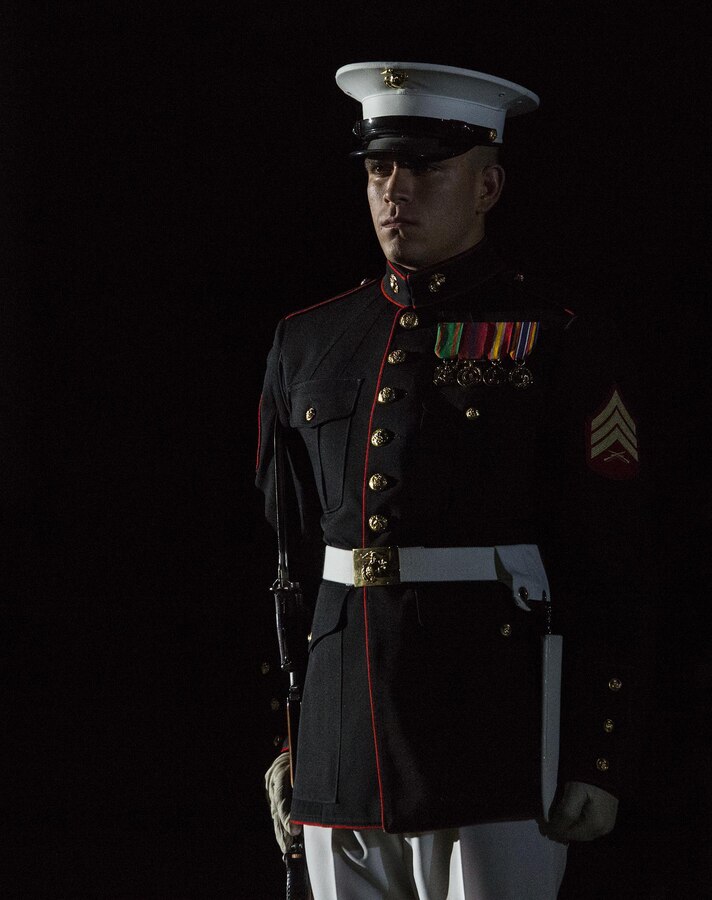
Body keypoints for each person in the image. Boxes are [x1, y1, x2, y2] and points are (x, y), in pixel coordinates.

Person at [257, 61, 653, 900]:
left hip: (495, 737)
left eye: (427, 169)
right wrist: (294, 740)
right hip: (339, 745)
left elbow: (613, 559)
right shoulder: (309, 343)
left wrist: (598, 750)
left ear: (488, 185)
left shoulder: (556, 338)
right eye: (378, 169)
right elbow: (291, 567)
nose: (395, 190)